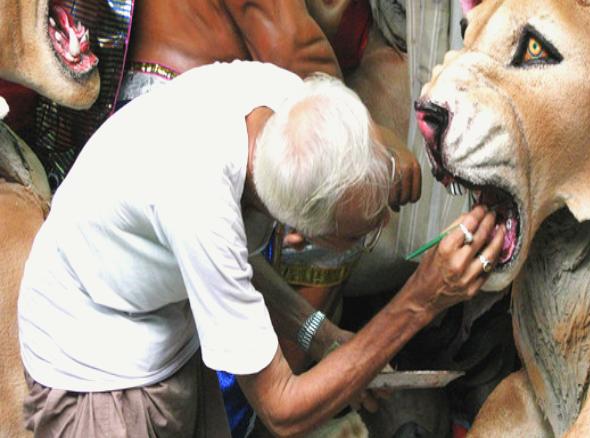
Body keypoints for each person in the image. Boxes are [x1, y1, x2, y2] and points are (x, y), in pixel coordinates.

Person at [17, 60, 506, 437]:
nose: (379, 227)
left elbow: (235, 262)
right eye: (361, 235)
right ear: (296, 232)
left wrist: (320, 334)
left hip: (162, 321)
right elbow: (281, 411)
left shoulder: (290, 106)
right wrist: (419, 300)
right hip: (93, 364)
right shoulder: (199, 201)